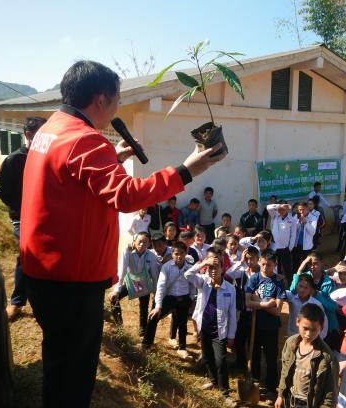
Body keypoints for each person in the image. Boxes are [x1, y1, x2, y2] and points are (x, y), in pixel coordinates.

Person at [19, 60, 222, 408]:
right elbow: (126, 196)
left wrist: (110, 156)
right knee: (75, 375)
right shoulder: (85, 141)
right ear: (100, 100)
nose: (117, 108)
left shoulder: (52, 129)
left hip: (43, 270)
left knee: (58, 360)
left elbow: (69, 175)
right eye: (116, 100)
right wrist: (186, 171)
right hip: (71, 281)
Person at [0, 115, 47, 321]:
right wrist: (23, 208)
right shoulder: (15, 160)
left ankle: (42, 298)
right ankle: (17, 301)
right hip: (22, 218)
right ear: (28, 135)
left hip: (45, 218)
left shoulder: (48, 158)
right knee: (26, 256)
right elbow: (1, 190)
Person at [184, 248, 237, 405]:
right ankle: (213, 380)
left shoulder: (230, 289)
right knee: (206, 358)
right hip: (204, 328)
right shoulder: (203, 282)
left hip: (219, 331)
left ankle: (225, 393)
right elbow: (188, 275)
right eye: (211, 268)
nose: (213, 271)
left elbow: (233, 314)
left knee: (221, 361)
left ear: (222, 269)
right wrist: (204, 263)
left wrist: (232, 335)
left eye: (217, 268)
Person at [275, 303, 339, 408]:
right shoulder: (291, 344)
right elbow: (285, 372)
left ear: (321, 328)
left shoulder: (327, 358)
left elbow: (330, 394)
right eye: (305, 328)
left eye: (313, 330)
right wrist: (280, 395)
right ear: (297, 322)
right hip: (290, 400)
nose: (308, 334)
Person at [245, 250, 286, 399]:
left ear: (274, 265)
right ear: (259, 262)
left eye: (269, 265)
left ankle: (271, 387)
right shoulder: (254, 279)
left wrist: (258, 302)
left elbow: (277, 311)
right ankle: (254, 383)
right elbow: (247, 302)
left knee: (271, 357)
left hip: (271, 327)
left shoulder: (278, 282)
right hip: (255, 326)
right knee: (254, 355)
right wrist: (266, 304)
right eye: (262, 264)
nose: (265, 268)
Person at [142, 241, 195, 358]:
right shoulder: (166, 267)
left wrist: (190, 299)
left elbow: (193, 285)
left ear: (186, 253)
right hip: (169, 298)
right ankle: (146, 344)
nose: (179, 256)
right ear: (172, 254)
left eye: (182, 253)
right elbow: (160, 286)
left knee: (182, 324)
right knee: (153, 318)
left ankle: (182, 348)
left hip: (183, 299)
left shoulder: (190, 268)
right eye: (176, 253)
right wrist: (158, 306)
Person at [109, 232, 160, 336]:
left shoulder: (151, 256)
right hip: (130, 282)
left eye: (145, 242)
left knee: (144, 307)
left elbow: (154, 275)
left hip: (144, 282)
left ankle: (142, 332)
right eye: (140, 241)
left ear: (149, 244)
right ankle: (119, 326)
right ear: (134, 242)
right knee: (114, 299)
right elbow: (122, 271)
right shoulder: (127, 252)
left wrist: (156, 292)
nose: (142, 244)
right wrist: (116, 290)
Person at [285, 273, 328, 338]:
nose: (302, 290)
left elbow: (324, 323)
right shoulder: (291, 298)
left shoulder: (316, 304)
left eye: (306, 288)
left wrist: (318, 339)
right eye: (300, 286)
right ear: (297, 286)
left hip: (310, 338)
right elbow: (278, 291)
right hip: (293, 335)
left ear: (311, 289)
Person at [267, 202, 297, 285]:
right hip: (274, 248)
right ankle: (277, 285)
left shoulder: (292, 219)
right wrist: (279, 206)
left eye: (283, 209)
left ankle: (291, 285)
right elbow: (268, 207)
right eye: (279, 209)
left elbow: (293, 235)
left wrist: (290, 248)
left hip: (285, 248)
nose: (281, 211)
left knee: (287, 269)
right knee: (276, 268)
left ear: (287, 209)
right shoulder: (275, 216)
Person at [292, 202, 319, 272]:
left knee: (306, 263)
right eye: (299, 210)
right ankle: (296, 276)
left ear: (307, 208)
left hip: (307, 246)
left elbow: (312, 232)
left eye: (303, 209)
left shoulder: (313, 218)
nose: (301, 211)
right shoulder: (296, 216)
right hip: (297, 244)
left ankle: (306, 278)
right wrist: (298, 221)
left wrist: (306, 222)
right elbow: (293, 229)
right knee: (295, 262)